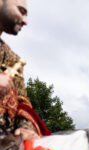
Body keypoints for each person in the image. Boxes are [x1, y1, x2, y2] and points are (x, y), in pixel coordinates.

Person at [0, 0, 50, 140]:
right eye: (21, 11)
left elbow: (23, 103)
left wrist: (25, 128)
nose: (25, 21)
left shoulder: (13, 59)